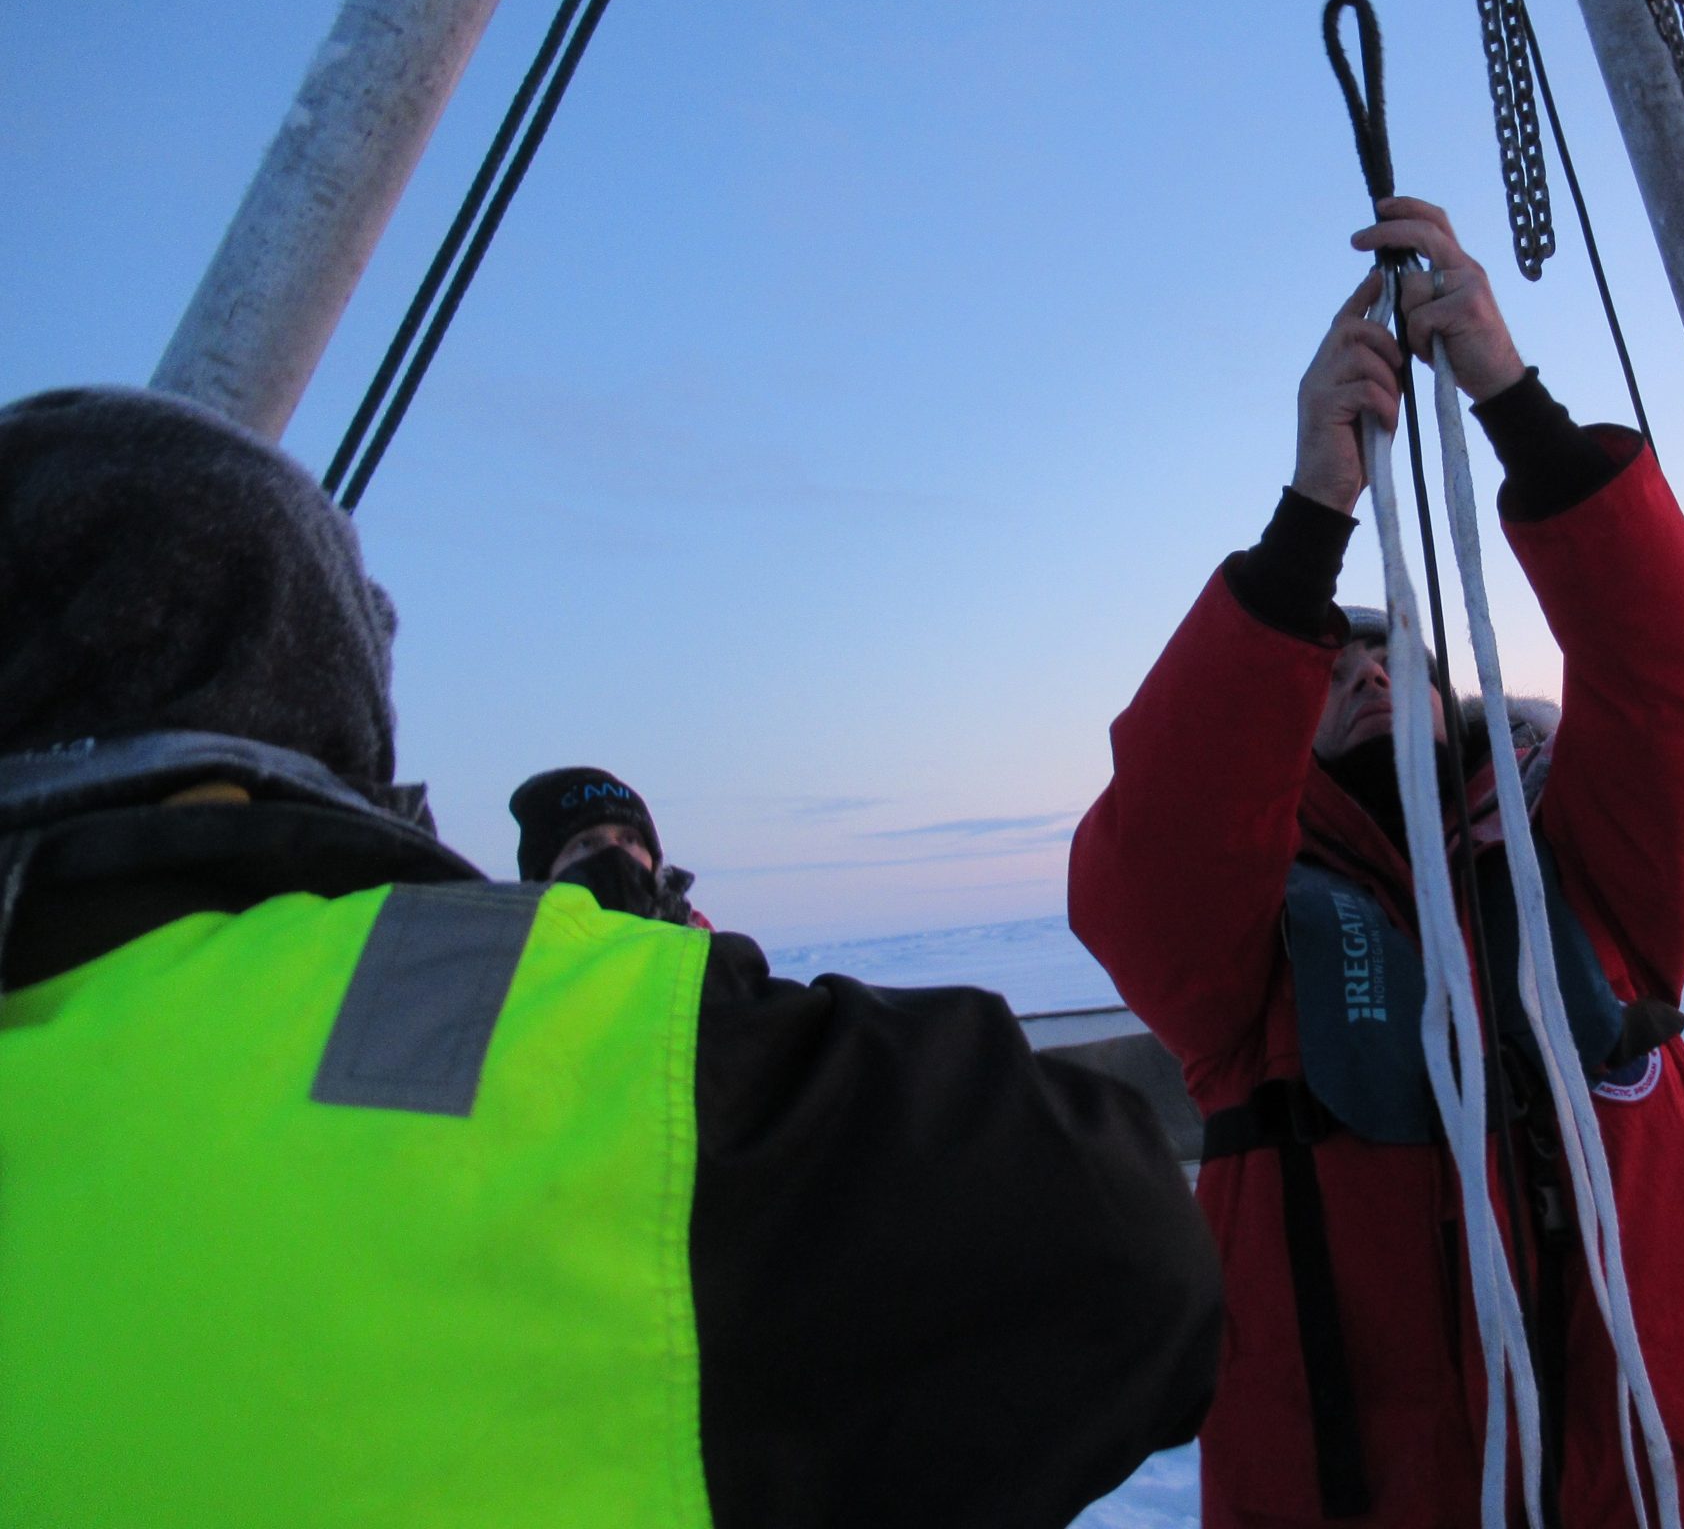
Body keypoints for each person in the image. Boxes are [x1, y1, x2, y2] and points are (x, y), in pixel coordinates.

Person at [0, 385, 1221, 1528]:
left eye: (623, 836)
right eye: (581, 845)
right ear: (331, 696)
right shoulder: (520, 1009)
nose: (610, 858)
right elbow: (1122, 1250)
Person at [1069, 198, 1684, 1527]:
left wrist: (1512, 400)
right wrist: (1315, 509)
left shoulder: (1596, 865)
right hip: (1374, 1486)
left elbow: (1683, 694)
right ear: (1285, 727)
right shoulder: (1240, 961)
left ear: (1459, 697)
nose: (1370, 669)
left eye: (1397, 658)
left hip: (1681, 1470)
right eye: (1329, 667)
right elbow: (1153, 848)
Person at [510, 763, 710, 928]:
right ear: (543, 874)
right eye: (586, 843)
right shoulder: (512, 960)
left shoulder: (702, 948)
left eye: (630, 840)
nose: (616, 853)